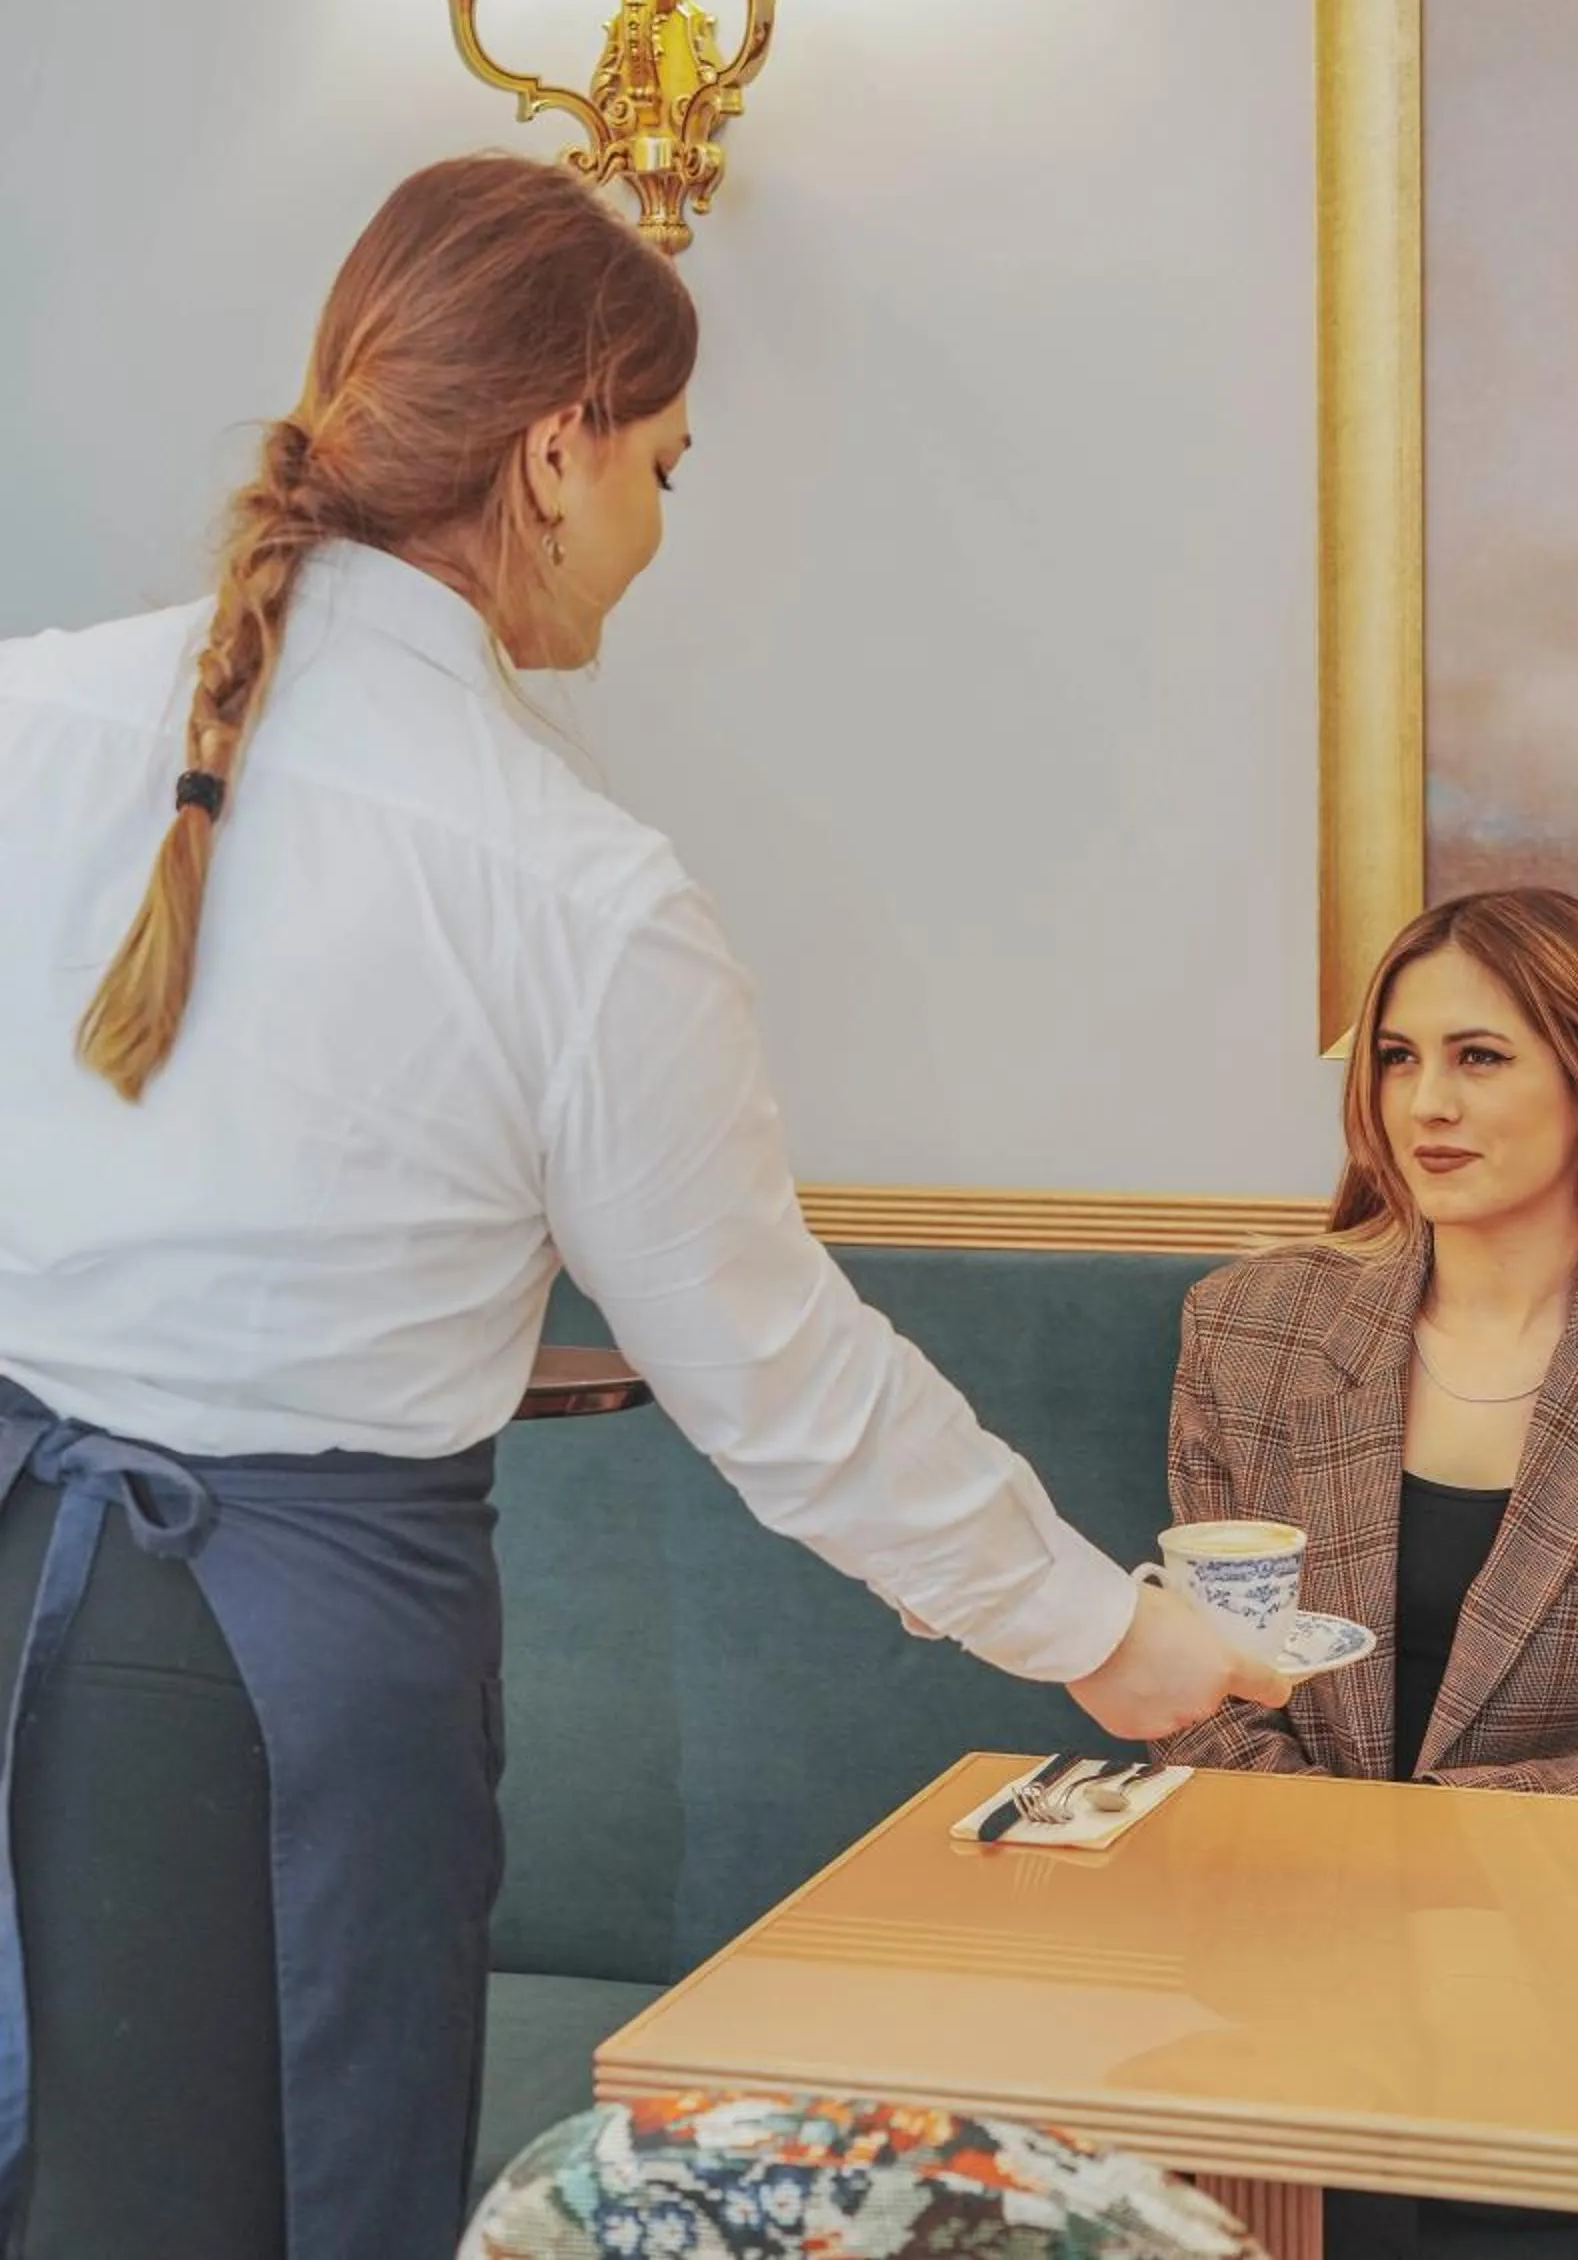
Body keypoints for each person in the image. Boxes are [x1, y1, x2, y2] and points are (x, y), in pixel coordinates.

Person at [0, 154, 1283, 2260]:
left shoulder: (34, 711)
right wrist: (1105, 1636)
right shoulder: (575, 891)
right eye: (665, 467)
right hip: (290, 1672)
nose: (660, 532)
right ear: (553, 453)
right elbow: (783, 1386)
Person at [1153, 889, 1578, 2260]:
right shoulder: (1250, 1334)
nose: (1425, 1105)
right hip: (1287, 1967)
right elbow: (1194, 1690)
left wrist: (1417, 1851)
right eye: (1398, 1058)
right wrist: (1346, 1894)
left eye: (1480, 1057)